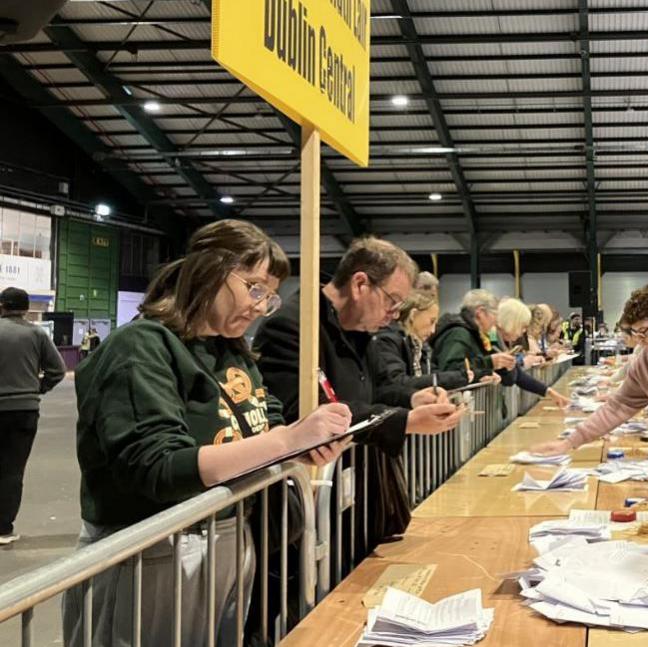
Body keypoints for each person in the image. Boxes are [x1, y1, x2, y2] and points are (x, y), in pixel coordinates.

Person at [62, 220, 351, 647]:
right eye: (253, 287)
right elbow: (158, 467)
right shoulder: (142, 346)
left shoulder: (231, 351)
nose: (259, 305)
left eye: (269, 297)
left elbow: (263, 422)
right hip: (152, 550)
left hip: (226, 540)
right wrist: (286, 442)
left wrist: (301, 447)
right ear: (209, 270)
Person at [255, 237, 464, 540]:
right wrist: (404, 421)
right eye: (392, 301)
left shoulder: (362, 327)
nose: (395, 314)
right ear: (360, 284)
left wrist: (415, 398)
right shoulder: (295, 325)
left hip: (360, 500)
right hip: (315, 506)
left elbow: (381, 387)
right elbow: (306, 412)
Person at [529, 286, 648, 456]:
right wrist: (569, 443)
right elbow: (618, 407)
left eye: (643, 331)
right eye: (634, 333)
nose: (639, 340)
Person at [0, 287, 65, 545]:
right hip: (24, 410)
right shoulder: (37, 334)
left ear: (2, 306)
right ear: (26, 309)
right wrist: (38, 388)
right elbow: (58, 370)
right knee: (12, 471)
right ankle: (3, 529)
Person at [430, 291, 569, 407]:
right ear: (481, 313)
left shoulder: (477, 335)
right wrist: (489, 365)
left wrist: (547, 391)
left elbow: (511, 374)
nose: (496, 320)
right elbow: (451, 372)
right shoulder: (459, 334)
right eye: (494, 315)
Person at [369, 288, 485, 394]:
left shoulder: (419, 347)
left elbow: (433, 374)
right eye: (431, 321)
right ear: (414, 315)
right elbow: (398, 382)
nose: (433, 330)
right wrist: (459, 377)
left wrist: (478, 375)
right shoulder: (388, 340)